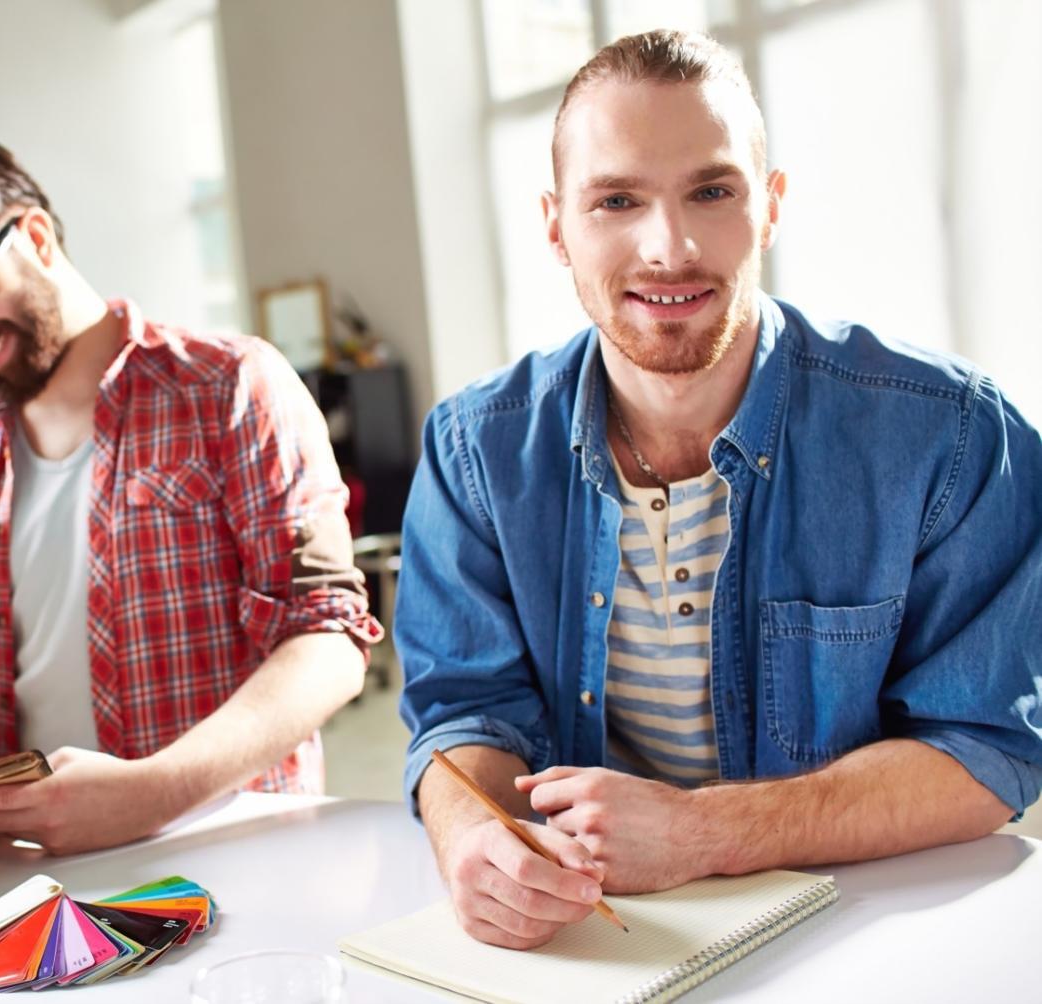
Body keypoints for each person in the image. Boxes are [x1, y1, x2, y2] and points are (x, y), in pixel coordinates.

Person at [396, 29, 1042, 949]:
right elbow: (462, 711)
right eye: (616, 199)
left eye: (712, 190)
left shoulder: (954, 434)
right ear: (555, 225)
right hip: (603, 942)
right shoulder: (474, 449)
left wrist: (703, 834)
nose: (671, 247)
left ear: (769, 206)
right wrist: (474, 842)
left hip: (863, 931)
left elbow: (984, 753)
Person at [0, 136, 380, 854]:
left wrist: (155, 790)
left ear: (32, 235)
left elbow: (327, 639)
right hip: (28, 882)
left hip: (230, 847)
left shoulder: (229, 386)